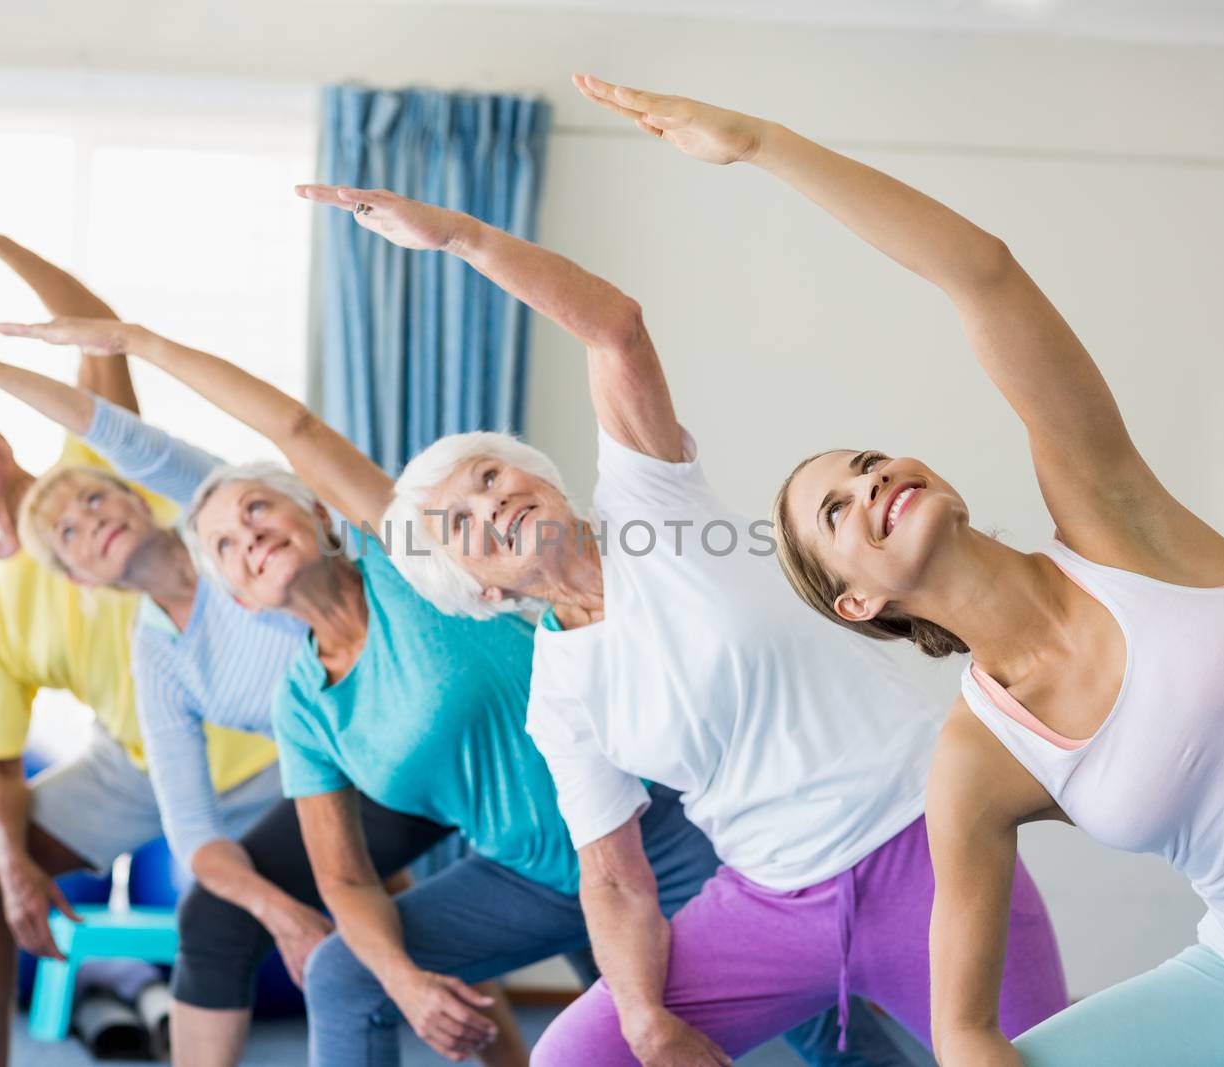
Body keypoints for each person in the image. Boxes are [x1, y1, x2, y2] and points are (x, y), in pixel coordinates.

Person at [574, 71, 1224, 1067]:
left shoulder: (1117, 522)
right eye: (837, 510)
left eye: (866, 463)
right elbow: (964, 1030)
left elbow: (980, 272)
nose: (871, 482)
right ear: (858, 599)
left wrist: (760, 143)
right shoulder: (975, 758)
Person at [285, 140, 1069, 1061]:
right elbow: (614, 883)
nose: (489, 503)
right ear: (475, 588)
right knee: (581, 1052)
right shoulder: (561, 692)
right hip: (777, 897)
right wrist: (650, 1023)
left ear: (539, 475)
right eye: (460, 522)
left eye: (491, 475)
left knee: (1057, 1055)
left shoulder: (653, 505)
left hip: (928, 844)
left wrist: (457, 236)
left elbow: (613, 326)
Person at [0, 314, 893, 1066]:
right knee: (350, 969)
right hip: (528, 871)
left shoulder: (411, 563)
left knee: (808, 1013)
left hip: (651, 833)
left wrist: (141, 345)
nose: (248, 538)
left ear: (313, 514)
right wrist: (406, 979)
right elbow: (344, 879)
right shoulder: (305, 707)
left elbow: (296, 431)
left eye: (259, 509)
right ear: (235, 595)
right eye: (224, 546)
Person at [0, 295, 530, 1067]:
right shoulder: (159, 650)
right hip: (341, 760)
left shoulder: (224, 527)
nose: (88, 519)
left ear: (137, 496)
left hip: (419, 728)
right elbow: (186, 832)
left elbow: (119, 428)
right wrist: (283, 913)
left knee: (470, 904)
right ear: (78, 576)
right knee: (256, 920)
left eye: (96, 497)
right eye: (69, 534)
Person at [0, 202, 283, 1067]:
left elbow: (99, 335)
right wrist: (12, 862)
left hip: (261, 738)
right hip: (140, 761)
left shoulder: (91, 465)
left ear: (0, 430)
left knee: (384, 895)